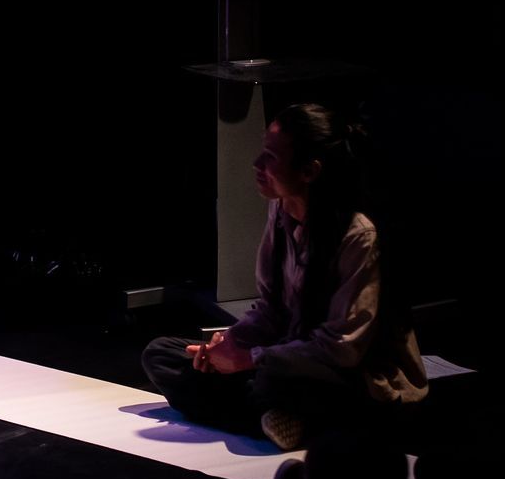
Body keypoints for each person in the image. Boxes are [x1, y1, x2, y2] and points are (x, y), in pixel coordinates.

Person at [141, 103, 426, 449]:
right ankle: (280, 421)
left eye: (271, 157)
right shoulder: (281, 210)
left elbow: (342, 348)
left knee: (273, 383)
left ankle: (286, 416)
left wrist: (250, 358)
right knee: (162, 355)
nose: (257, 165)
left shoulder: (356, 236)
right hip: (286, 357)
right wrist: (228, 344)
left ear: (309, 171)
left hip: (348, 375)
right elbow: (271, 308)